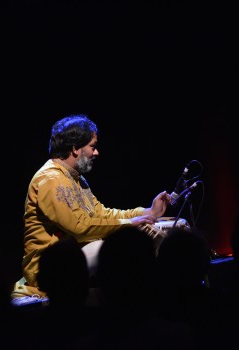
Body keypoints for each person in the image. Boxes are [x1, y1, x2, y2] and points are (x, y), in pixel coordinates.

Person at [11, 114, 171, 302]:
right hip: (50, 269)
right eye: (92, 147)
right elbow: (80, 227)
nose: (96, 153)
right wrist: (129, 224)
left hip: (74, 258)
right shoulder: (49, 180)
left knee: (163, 230)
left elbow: (102, 214)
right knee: (109, 251)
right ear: (75, 149)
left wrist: (147, 212)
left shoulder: (76, 179)